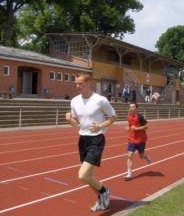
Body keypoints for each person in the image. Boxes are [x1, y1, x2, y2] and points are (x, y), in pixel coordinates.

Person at [65, 72, 117, 212]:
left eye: (80, 83)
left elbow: (113, 117)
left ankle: (104, 190)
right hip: (83, 139)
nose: (77, 86)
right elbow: (77, 125)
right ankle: (101, 200)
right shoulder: (74, 101)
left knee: (83, 175)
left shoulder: (100, 100)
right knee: (89, 176)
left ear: (88, 83)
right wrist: (70, 120)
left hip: (97, 139)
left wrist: (100, 126)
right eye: (76, 83)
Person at [124, 103, 152, 180]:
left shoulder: (140, 117)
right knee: (129, 155)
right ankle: (129, 173)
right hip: (131, 139)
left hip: (140, 139)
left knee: (141, 156)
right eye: (130, 107)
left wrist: (137, 128)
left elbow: (147, 127)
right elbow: (131, 126)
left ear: (136, 108)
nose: (131, 108)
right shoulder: (128, 116)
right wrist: (128, 128)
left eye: (133, 107)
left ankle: (147, 157)